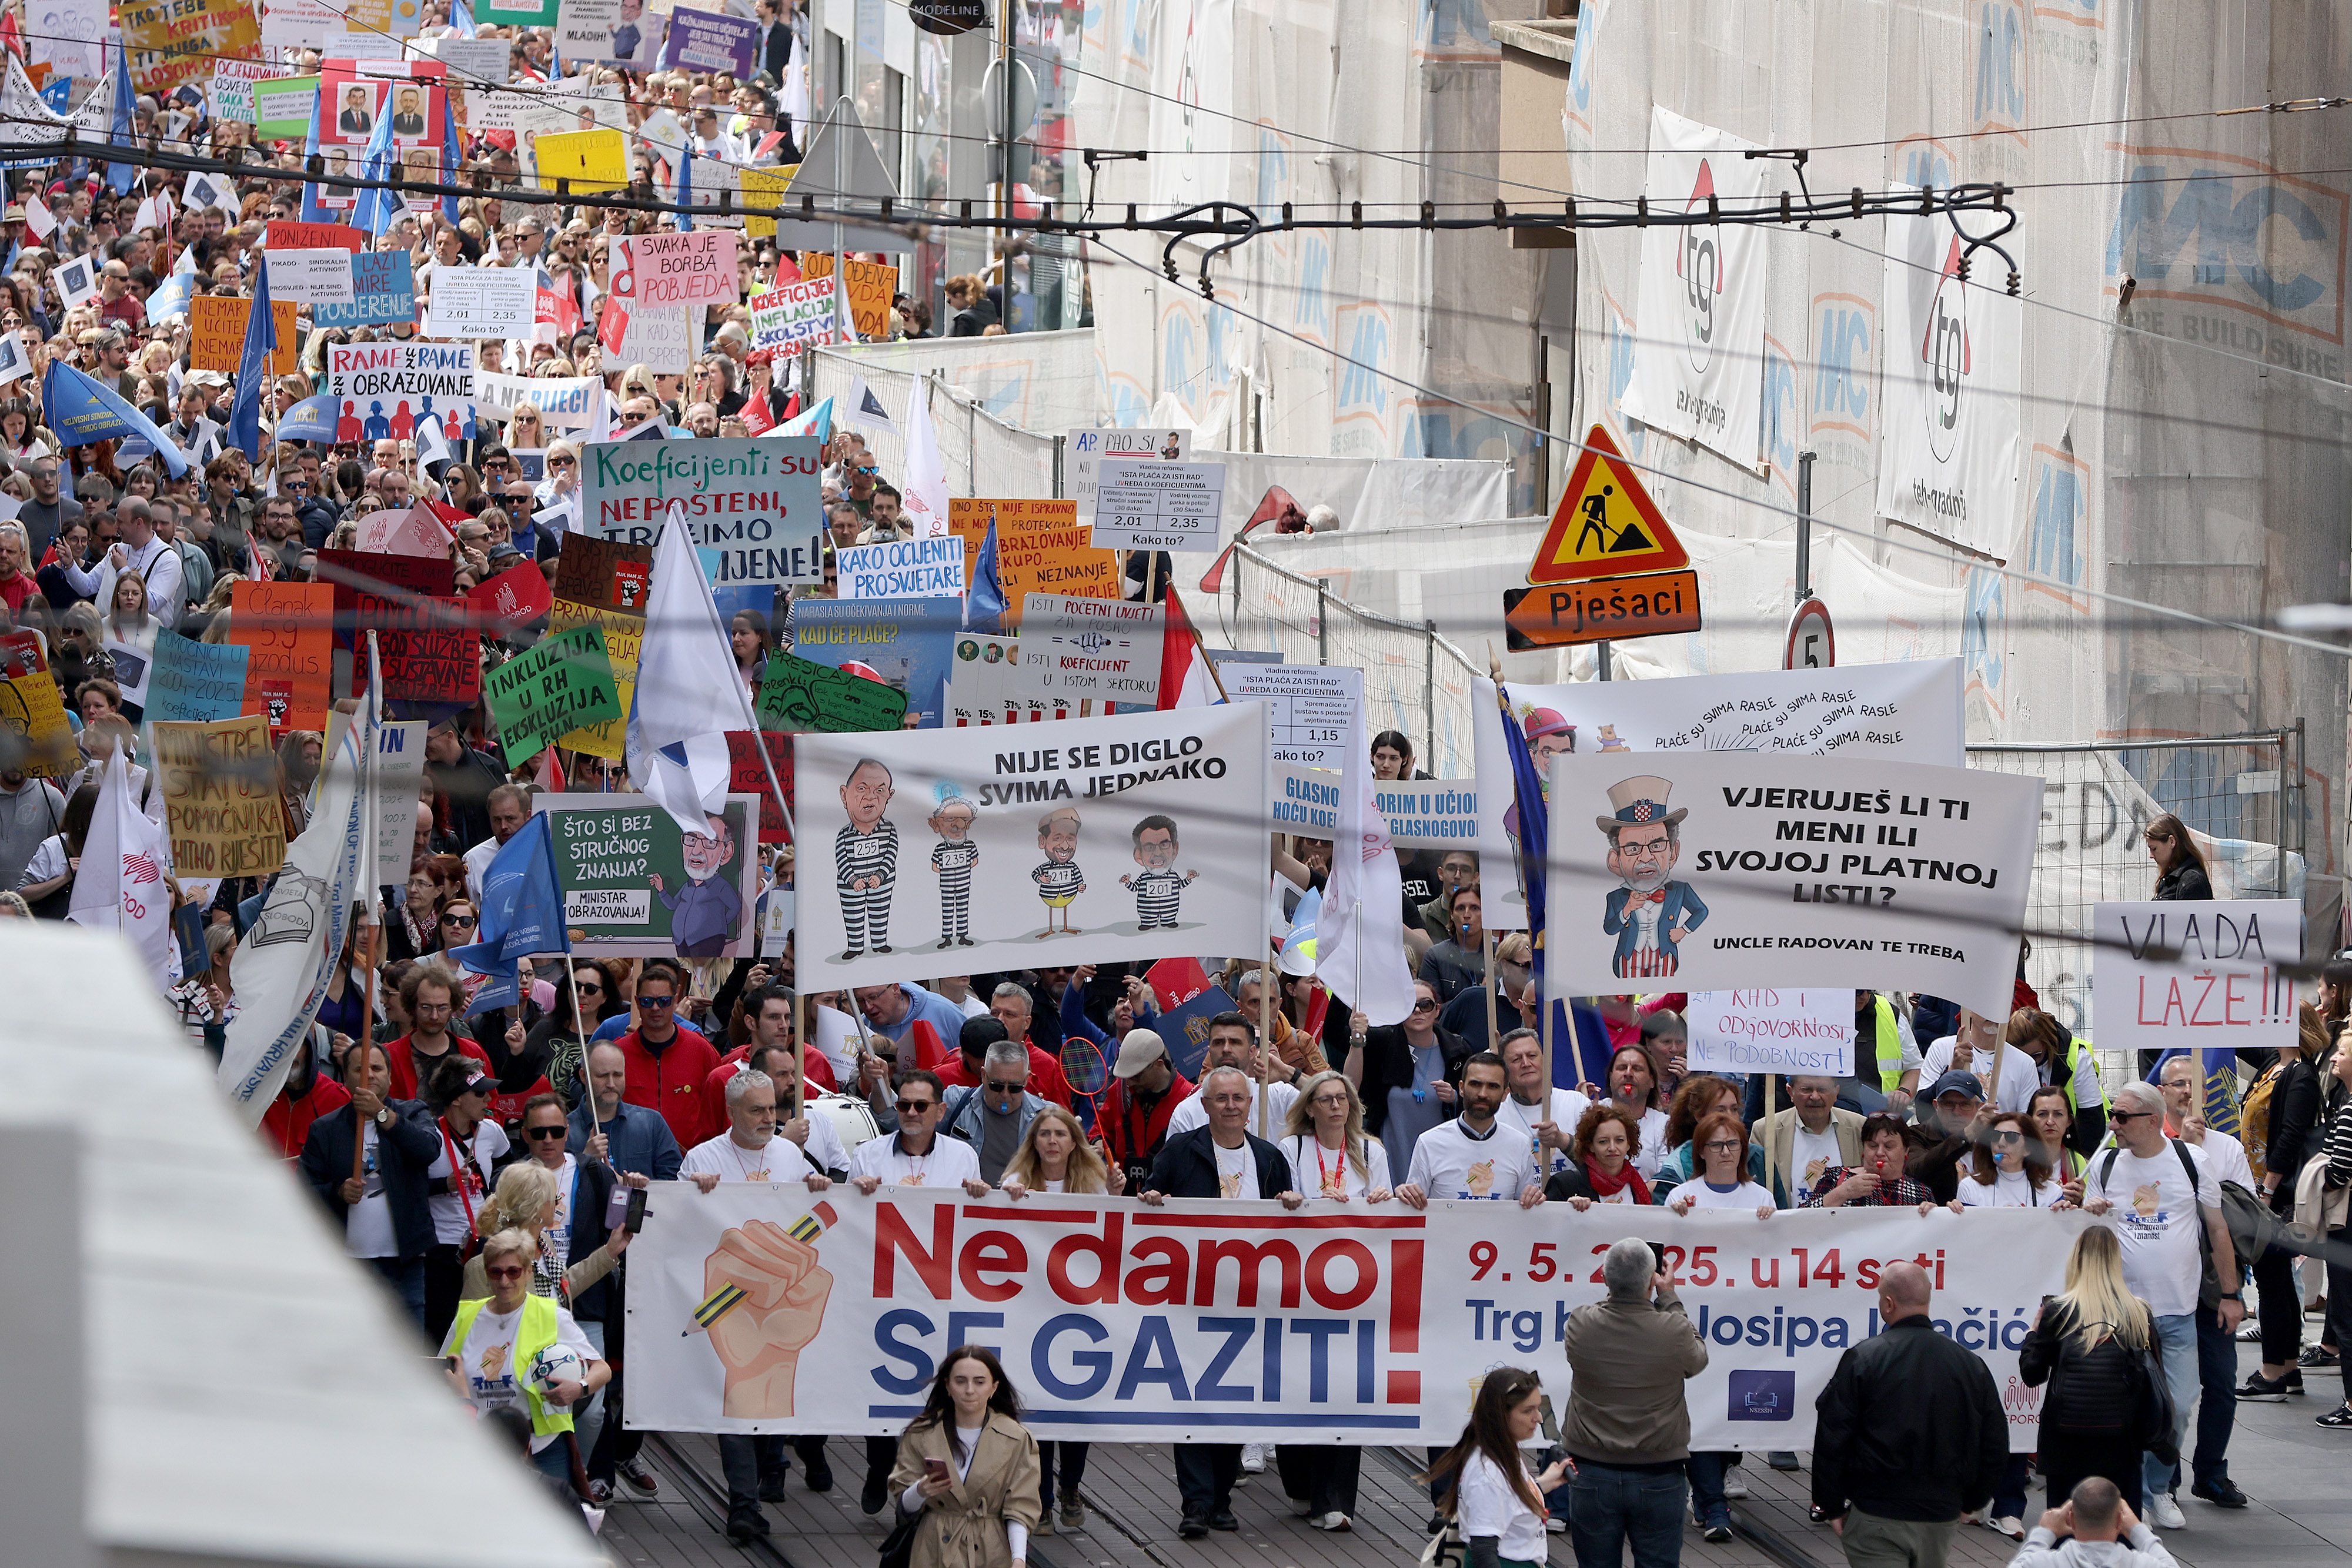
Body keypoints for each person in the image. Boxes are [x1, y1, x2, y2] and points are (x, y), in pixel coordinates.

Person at [1140, 1064, 1307, 1535]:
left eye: (1238, 1098)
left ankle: (1219, 1499)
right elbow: (1151, 1196)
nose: (1231, 1106)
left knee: (1233, 1398)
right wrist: (1151, 1196)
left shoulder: (1269, 1157)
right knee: (1191, 1400)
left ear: (1250, 1104)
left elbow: (1284, 1227)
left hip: (1248, 1301)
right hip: (1191, 1299)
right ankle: (1196, 1503)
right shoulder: (1180, 1150)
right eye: (1222, 1098)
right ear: (1206, 1105)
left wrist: (1291, 1204)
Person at [679, 1068, 834, 1543]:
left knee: (769, 1412)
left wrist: (819, 1185)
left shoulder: (789, 1154)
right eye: (758, 1110)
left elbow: (814, 1208)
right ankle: (743, 1505)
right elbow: (678, 1227)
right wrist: (690, 1193)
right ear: (731, 1112)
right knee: (736, 1404)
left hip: (783, 1301)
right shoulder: (702, 1158)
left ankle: (773, 1466)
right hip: (730, 1304)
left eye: (773, 1108)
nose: (770, 1118)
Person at [2081, 1081, 2244, 1525]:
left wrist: (2231, 1295)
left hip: (2178, 1311)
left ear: (2152, 1120)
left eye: (2121, 1116)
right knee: (2124, 1408)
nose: (2113, 1124)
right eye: (2112, 1114)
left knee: (2180, 1404)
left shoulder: (2192, 1161)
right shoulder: (2105, 1163)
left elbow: (2218, 1230)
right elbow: (2088, 1234)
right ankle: (2134, 1493)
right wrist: (2087, 1210)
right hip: (2120, 1312)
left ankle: (2158, 1489)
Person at [850, 1069, 991, 1514]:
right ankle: (879, 1466)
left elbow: (974, 1224)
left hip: (940, 1293)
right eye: (904, 1105)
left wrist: (981, 1195)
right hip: (884, 1290)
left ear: (940, 1110)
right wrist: (855, 1194)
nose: (911, 1113)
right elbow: (850, 1221)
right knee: (880, 1386)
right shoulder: (867, 1155)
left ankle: (915, 1479)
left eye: (921, 1105)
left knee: (933, 1390)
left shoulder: (963, 1157)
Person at [1813, 1261, 2007, 1568]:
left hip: (1877, 1511)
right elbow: (1995, 1443)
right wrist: (1972, 1502)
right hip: (1941, 1514)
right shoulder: (1971, 1365)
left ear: (1888, 1303)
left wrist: (1831, 1504)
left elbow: (1833, 1435)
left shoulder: (1864, 1359)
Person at [565, 1040, 681, 1502]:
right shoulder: (566, 1128)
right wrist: (583, 1157)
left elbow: (676, 1181)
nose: (611, 1084)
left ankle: (623, 1450)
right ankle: (599, 1469)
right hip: (591, 1269)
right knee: (599, 1372)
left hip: (644, 1264)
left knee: (643, 1368)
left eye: (617, 1075)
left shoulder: (650, 1123)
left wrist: (649, 1187)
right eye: (602, 1076)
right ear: (584, 1077)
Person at [996, 1101, 1116, 1532]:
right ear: (1034, 1141)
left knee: (1076, 1406)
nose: (1052, 1141)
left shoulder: (1094, 1183)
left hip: (1080, 1309)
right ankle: (1043, 1499)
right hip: (1031, 1309)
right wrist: (1005, 1202)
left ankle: (1071, 1485)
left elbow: (1111, 1235)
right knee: (1038, 1409)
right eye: (1044, 1133)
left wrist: (1119, 1195)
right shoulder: (1015, 1182)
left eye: (1060, 1134)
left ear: (1073, 1142)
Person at [1556, 1238, 1708, 1566]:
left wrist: (1620, 1286)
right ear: (1654, 1280)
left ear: (1604, 1277)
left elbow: (1605, 1308)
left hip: (1591, 1471)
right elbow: (1698, 1360)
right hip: (1659, 1472)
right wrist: (1669, 1298)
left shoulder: (1580, 1323)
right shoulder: (1673, 1328)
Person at [441, 1227, 610, 1498]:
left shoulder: (551, 1315)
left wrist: (579, 1388)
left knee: (553, 1520)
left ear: (529, 1272)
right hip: (480, 1444)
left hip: (543, 1447)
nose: (504, 1281)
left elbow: (602, 1369)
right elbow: (443, 1370)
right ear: (486, 1273)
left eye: (514, 1272)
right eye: (496, 1272)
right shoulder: (467, 1317)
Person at [298, 1039, 440, 1330]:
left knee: (408, 1344)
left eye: (377, 1068)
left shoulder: (413, 1112)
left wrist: (382, 1114)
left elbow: (428, 1149)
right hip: (347, 1266)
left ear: (390, 1075)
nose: (370, 1075)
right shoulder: (325, 1129)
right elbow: (302, 1194)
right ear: (345, 1077)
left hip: (405, 1263)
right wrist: (338, 1191)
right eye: (360, 1069)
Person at [2020, 1226, 2161, 1519]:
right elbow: (2154, 1376)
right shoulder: (2138, 1313)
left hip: (2065, 1441)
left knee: (2066, 1525)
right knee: (2121, 1525)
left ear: (2076, 1259)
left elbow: (2032, 1374)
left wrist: (2033, 1334)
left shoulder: (2059, 1310)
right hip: (2122, 1441)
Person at [2240, 1004, 2330, 1399]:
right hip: (2260, 1187)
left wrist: (2267, 1191)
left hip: (2276, 1194)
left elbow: (2291, 1136)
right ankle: (2289, 1370)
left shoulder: (2301, 1074)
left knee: (2273, 1282)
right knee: (2275, 1281)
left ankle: (2272, 1373)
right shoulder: (2273, 1064)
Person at [886, 1346, 1041, 1568]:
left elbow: (1020, 1507)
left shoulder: (1016, 1439)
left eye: (979, 1382)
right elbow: (903, 1505)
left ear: (993, 1387)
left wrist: (1018, 1559)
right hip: (933, 1547)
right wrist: (920, 1491)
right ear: (948, 1385)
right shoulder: (921, 1433)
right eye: (961, 1381)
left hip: (992, 1551)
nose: (969, 1390)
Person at [1421, 1368, 1572, 1568]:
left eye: (1538, 1408)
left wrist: (1543, 1483)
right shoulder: (1488, 1474)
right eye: (1528, 1411)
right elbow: (1484, 1553)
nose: (1539, 1418)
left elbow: (1507, 1499)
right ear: (1501, 1415)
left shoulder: (1500, 1453)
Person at [1347, 978, 1471, 1186]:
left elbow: (1475, 1104)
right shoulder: (1382, 1042)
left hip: (1442, 1159)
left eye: (1426, 1005)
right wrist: (1357, 1040)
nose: (1418, 1011)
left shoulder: (1457, 1049)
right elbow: (1350, 1087)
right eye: (1410, 1005)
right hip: (1391, 1157)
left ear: (1437, 1010)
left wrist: (1455, 1098)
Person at [421, 1059, 510, 1346]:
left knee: (486, 1329)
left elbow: (507, 1170)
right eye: (480, 1093)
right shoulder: (430, 1136)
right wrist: (442, 1185)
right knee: (444, 1331)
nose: (488, 1099)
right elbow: (408, 1189)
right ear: (457, 1099)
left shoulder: (491, 1131)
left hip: (483, 1245)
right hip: (443, 1250)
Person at [1398, 1053, 1544, 1209]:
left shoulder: (1520, 1145)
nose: (1482, 1094)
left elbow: (1526, 1209)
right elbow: (1413, 1206)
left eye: (1493, 1087)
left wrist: (1535, 1199)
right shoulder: (1429, 1143)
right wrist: (1404, 1194)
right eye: (1475, 1084)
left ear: (1505, 1094)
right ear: (1461, 1088)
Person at [616, 961, 723, 1151]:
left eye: (664, 1001)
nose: (655, 1008)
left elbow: (721, 1109)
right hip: (633, 1162)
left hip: (690, 1162)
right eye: (647, 1001)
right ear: (637, 1002)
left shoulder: (701, 1050)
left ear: (676, 999)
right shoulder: (618, 1054)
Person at [1166, 1011, 1300, 1136]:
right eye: (1219, 1043)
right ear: (1210, 1051)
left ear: (1252, 1051)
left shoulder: (1279, 1095)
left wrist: (1288, 1073)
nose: (1226, 1049)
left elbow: (1314, 1102)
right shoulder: (1187, 1112)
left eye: (1235, 1042)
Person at [1491, 1027, 1591, 1187]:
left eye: (1532, 1056)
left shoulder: (1577, 1103)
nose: (1526, 1064)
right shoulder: (1496, 1115)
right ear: (1505, 1069)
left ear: (1545, 1060)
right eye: (1516, 1059)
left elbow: (1602, 1160)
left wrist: (1564, 1141)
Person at [1095, 1028, 1191, 1193]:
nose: (1129, 1083)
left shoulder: (1189, 1100)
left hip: (1167, 1195)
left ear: (1159, 1065)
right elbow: (1101, 1126)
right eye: (1125, 1076)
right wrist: (1099, 1142)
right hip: (1123, 1191)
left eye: (1136, 1076)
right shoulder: (1120, 1090)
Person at [944, 1039, 1051, 1184]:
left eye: (1014, 1087)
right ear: (984, 1075)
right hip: (966, 1197)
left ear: (1027, 1079)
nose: (1005, 1095)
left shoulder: (1046, 1116)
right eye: (997, 1086)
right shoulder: (955, 1102)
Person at [2009, 1478, 2180, 1568]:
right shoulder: (2139, 1564)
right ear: (2119, 1521)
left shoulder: (2047, 1563)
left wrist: (2044, 1532)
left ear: (2072, 1520)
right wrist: (2137, 1530)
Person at [2008, 1009, 2108, 1155]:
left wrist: (2076, 1160)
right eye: (2021, 1058)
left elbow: (2092, 1121)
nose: (2029, 1064)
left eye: (2036, 1056)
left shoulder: (2077, 1056)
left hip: (2077, 1144)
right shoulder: (2004, 1059)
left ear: (2048, 1042)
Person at [1762, 1073, 1865, 1208]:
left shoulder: (1859, 1128)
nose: (1815, 1097)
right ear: (1790, 1092)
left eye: (1823, 1090)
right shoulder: (1765, 1131)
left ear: (1836, 1093)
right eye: (1806, 1090)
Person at [1802, 1113, 1938, 1210]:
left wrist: (1934, 1216)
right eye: (1873, 1146)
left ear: (1906, 1150)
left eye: (1889, 1146)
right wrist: (1843, 1193)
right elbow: (1802, 1219)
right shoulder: (1835, 1177)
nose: (1880, 1153)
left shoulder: (1921, 1192)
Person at [1923, 1008, 2038, 1114]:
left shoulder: (2025, 1063)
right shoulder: (1941, 1048)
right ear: (1970, 1010)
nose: (1993, 1011)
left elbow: (2028, 1121)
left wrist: (1998, 1123)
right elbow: (1923, 1110)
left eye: (2001, 1003)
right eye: (1986, 1003)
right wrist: (1952, 1071)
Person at [1545, 1104, 1651, 1208]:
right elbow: (1548, 1218)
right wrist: (1573, 1211)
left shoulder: (1636, 1183)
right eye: (1603, 1142)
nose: (1612, 1148)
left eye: (1619, 1140)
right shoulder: (1565, 1183)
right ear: (1591, 1146)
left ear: (1629, 1144)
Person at [1599, 1042, 1672, 1178]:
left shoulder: (1664, 1125)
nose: (1628, 1074)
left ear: (1652, 1081)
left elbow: (1663, 1180)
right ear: (1611, 1078)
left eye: (1637, 1069)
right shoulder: (1593, 1114)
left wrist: (1629, 1191)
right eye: (1622, 1068)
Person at [1418, 882, 1486, 1002]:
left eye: (1475, 908)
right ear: (1452, 914)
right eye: (1460, 908)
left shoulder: (1499, 956)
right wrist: (1475, 996)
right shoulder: (1435, 957)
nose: (1466, 915)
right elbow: (1431, 1008)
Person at [2145, 814, 2211, 901]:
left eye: (2154, 849)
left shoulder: (2191, 881)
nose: (2151, 856)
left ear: (2171, 842)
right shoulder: (2173, 877)